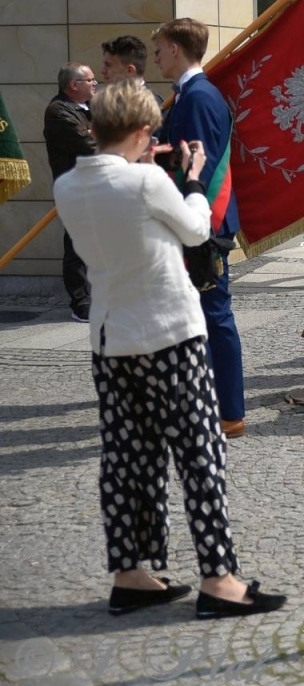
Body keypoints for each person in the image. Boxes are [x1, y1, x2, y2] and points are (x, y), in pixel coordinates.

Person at [53, 80, 286, 620]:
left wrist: (147, 164)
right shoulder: (145, 182)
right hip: (168, 335)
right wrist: (196, 178)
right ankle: (219, 578)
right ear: (142, 131)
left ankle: (131, 572)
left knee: (127, 456)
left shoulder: (69, 186)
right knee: (199, 453)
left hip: (111, 339)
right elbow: (197, 229)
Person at [152, 18, 247, 438]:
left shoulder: (197, 98)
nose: (155, 56)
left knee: (214, 316)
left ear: (175, 49)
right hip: (197, 219)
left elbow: (199, 165)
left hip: (203, 223)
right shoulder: (189, 95)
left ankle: (228, 412)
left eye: (159, 49)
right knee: (201, 316)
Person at [44, 63, 97, 321]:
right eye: (90, 80)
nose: (95, 83)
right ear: (73, 85)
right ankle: (80, 303)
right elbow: (88, 144)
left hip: (97, 184)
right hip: (75, 188)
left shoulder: (91, 107)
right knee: (77, 246)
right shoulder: (58, 111)